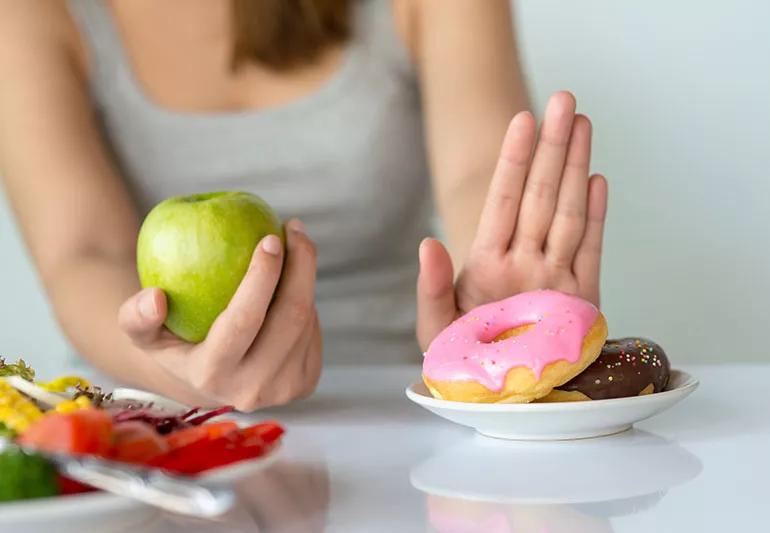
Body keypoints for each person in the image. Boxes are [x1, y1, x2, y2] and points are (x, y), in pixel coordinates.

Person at [0, 0, 607, 410]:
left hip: (394, 418)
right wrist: (181, 376)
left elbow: (479, 168)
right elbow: (81, 251)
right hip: (149, 426)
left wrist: (502, 290)